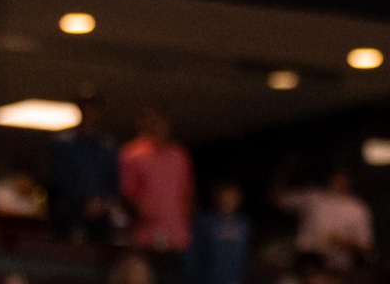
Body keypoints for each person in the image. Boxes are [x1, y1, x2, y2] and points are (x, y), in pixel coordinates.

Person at [119, 110, 194, 261]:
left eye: (161, 122)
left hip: (177, 238)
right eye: (153, 122)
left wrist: (188, 223)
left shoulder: (179, 155)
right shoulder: (131, 153)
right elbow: (124, 194)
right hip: (144, 238)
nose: (157, 127)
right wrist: (140, 212)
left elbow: (188, 194)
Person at [275, 170, 374, 272]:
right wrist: (284, 170)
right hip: (308, 261)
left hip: (338, 265)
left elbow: (366, 245)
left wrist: (345, 242)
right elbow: (278, 198)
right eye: (335, 179)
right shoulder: (313, 197)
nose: (338, 183)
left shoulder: (358, 208)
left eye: (342, 179)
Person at [50, 102, 120, 244]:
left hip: (100, 215)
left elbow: (114, 179)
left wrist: (104, 203)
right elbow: (61, 177)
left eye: (93, 109)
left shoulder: (106, 144)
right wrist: (81, 203)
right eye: (86, 109)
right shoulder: (65, 142)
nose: (90, 114)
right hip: (70, 212)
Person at [187, 182, 252, 284]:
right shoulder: (205, 222)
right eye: (225, 197)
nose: (228, 201)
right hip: (209, 278)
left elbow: (245, 256)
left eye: (232, 197)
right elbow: (193, 253)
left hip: (235, 279)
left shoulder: (244, 224)